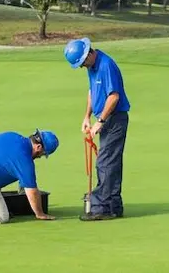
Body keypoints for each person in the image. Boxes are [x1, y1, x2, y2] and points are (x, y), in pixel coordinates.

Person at [64, 37, 131, 221]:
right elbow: (92, 91)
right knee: (111, 162)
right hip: (104, 118)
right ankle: (114, 205)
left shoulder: (106, 65)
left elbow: (114, 96)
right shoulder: (92, 67)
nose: (82, 67)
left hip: (114, 119)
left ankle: (102, 206)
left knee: (105, 162)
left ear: (88, 55)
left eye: (81, 63)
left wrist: (100, 121)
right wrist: (87, 116)